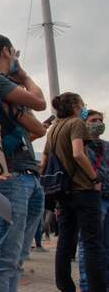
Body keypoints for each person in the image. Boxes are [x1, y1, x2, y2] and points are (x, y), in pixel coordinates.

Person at [0, 30, 46, 292]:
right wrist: (24, 75)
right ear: (6, 51)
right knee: (5, 258)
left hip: (25, 175)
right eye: (14, 52)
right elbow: (39, 102)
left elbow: (38, 128)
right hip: (11, 178)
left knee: (14, 258)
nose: (15, 57)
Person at [41, 94, 105, 291]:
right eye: (82, 104)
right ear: (75, 106)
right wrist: (94, 178)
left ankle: (65, 285)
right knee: (92, 243)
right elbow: (78, 153)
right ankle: (97, 287)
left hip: (63, 191)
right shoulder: (76, 124)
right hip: (83, 190)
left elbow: (44, 161)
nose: (84, 107)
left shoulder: (53, 129)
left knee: (65, 243)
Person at [77, 109, 109, 292]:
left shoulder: (107, 146)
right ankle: (87, 284)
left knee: (106, 246)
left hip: (107, 197)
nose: (97, 122)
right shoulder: (80, 146)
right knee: (89, 245)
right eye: (93, 119)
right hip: (92, 199)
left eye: (100, 120)